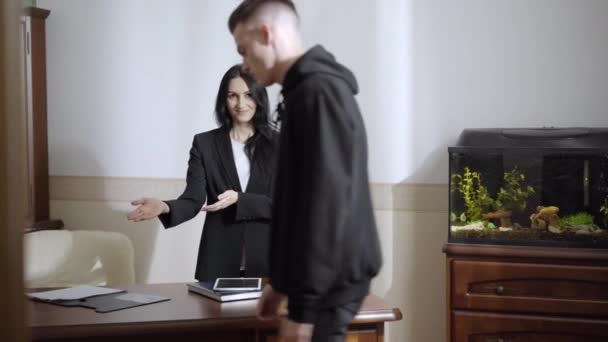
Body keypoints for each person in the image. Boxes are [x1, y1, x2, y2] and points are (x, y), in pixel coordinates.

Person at [228, 1, 383, 341]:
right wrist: (281, 285)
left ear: (267, 33)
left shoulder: (317, 92)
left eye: (244, 49)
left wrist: (304, 310)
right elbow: (296, 200)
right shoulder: (302, 92)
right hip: (321, 285)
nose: (245, 65)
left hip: (329, 287)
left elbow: (326, 205)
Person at [127, 65, 278, 282]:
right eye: (232, 96)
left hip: (269, 261)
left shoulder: (280, 145)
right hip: (219, 258)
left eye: (248, 95)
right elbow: (194, 198)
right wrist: (164, 206)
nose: (241, 104)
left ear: (259, 97)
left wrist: (239, 199)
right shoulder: (204, 144)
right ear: (223, 101)